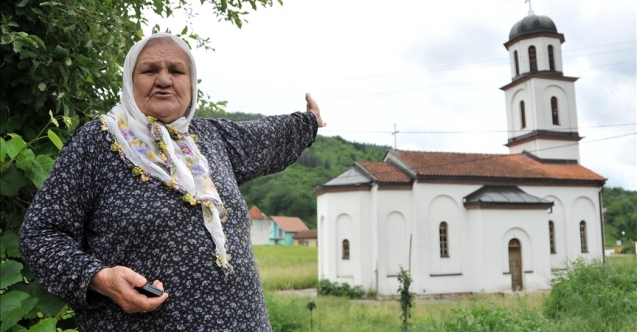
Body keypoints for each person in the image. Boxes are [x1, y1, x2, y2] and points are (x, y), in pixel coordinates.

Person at [19, 33, 325, 331]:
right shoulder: (97, 143)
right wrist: (99, 278)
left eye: (176, 71)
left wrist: (309, 121)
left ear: (191, 86)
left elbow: (268, 135)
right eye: (150, 70)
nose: (164, 79)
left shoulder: (212, 140)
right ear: (130, 80)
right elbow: (41, 235)